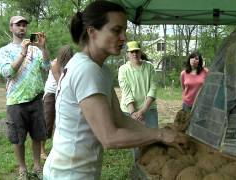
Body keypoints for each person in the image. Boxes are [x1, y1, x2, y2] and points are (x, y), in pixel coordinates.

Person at [43, 1, 186, 180]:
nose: (124, 37)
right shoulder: (87, 70)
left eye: (124, 30)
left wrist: (158, 135)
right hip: (70, 174)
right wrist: (159, 134)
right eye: (116, 30)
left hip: (71, 169)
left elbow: (119, 118)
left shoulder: (99, 69)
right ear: (92, 32)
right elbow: (109, 137)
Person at [0, 15, 50, 179]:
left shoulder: (35, 49)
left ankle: (36, 166)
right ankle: (22, 169)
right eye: (18, 25)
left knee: (37, 136)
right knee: (18, 139)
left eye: (24, 25)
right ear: (11, 28)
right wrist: (22, 53)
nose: (22, 27)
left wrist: (43, 48)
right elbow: (7, 73)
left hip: (36, 100)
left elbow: (47, 66)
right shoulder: (4, 51)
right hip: (15, 102)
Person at [41, 45, 74, 159]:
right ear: (62, 55)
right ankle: (42, 151)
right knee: (47, 122)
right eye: (67, 56)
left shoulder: (70, 65)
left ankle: (58, 148)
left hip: (62, 93)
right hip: (51, 94)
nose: (69, 58)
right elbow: (61, 82)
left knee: (60, 122)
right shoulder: (55, 64)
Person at [118, 41, 158, 128]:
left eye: (137, 51)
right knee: (131, 139)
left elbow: (153, 89)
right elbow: (126, 92)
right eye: (132, 52)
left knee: (152, 137)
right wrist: (133, 113)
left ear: (140, 52)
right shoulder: (123, 69)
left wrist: (143, 111)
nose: (135, 54)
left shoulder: (149, 67)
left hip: (149, 109)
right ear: (127, 54)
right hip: (129, 111)